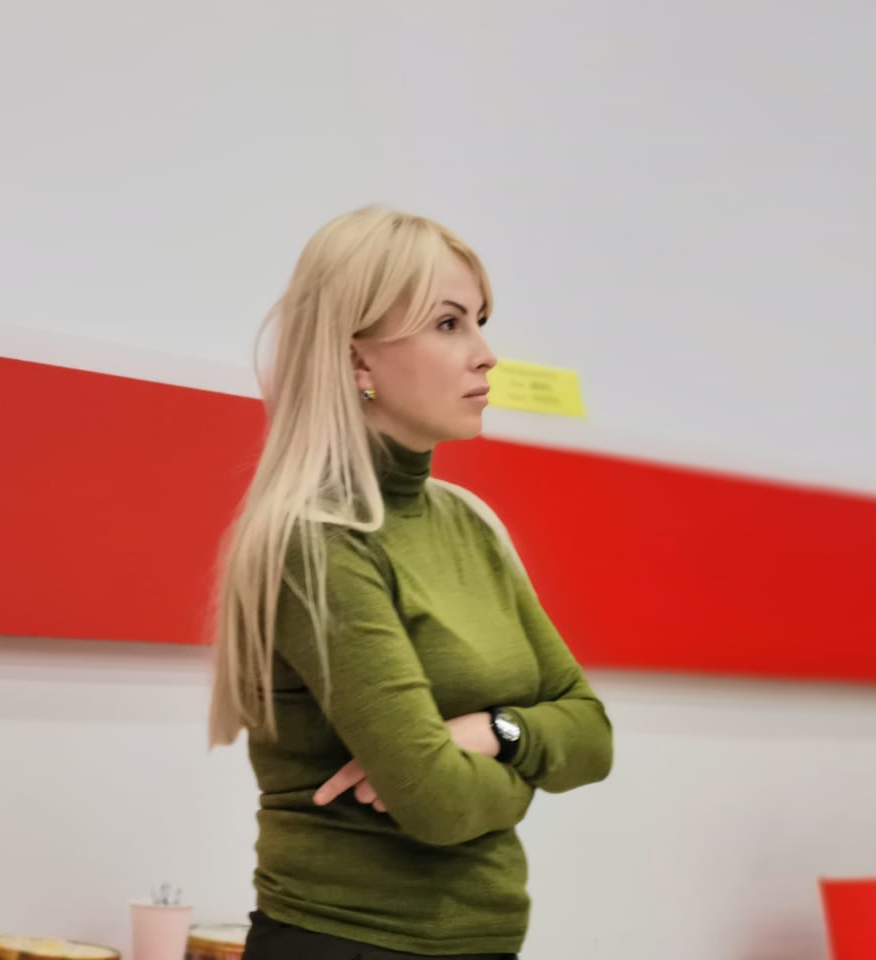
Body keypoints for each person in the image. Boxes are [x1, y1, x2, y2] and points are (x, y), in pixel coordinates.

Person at [208, 206, 614, 959]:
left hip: (479, 939)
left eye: (480, 322)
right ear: (357, 363)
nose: (486, 355)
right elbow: (437, 803)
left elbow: (593, 735)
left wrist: (490, 733)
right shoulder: (318, 538)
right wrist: (526, 758)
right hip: (348, 942)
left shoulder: (469, 522)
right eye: (449, 324)